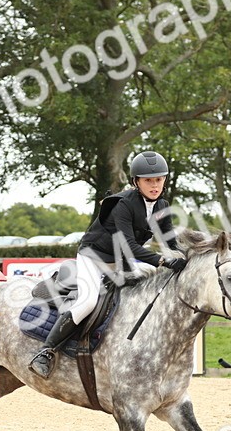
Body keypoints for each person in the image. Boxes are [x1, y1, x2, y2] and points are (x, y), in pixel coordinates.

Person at [28, 150, 187, 378]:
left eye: (159, 180)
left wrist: (187, 256)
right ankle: (46, 352)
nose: (155, 185)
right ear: (136, 182)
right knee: (88, 301)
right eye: (148, 180)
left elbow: (170, 241)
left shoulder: (161, 205)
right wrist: (163, 260)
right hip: (93, 258)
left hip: (120, 263)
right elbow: (129, 245)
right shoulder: (123, 204)